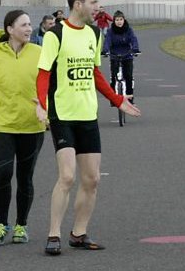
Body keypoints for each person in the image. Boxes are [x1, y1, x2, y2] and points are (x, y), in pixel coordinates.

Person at [36, 0, 141, 256]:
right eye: (93, 2)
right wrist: (41, 104)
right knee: (68, 176)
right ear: (78, 3)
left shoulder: (95, 33)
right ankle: (53, 234)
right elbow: (43, 74)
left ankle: (79, 234)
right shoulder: (55, 34)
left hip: (87, 115)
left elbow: (95, 73)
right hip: (62, 114)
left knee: (92, 180)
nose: (98, 7)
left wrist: (117, 100)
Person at [0, 10, 47, 246]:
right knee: (4, 174)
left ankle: (21, 225)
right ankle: (1, 223)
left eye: (30, 25)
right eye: (24, 25)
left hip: (31, 127)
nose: (29, 29)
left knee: (25, 178)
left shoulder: (39, 53)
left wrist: (47, 109)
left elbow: (51, 86)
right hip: (3, 126)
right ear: (9, 29)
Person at [102, 10, 140, 103]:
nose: (119, 22)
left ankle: (129, 97)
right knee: (113, 77)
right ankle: (113, 98)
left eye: (121, 19)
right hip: (114, 55)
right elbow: (107, 41)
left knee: (128, 76)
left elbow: (133, 39)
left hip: (127, 55)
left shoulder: (129, 30)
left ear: (124, 20)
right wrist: (105, 51)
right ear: (114, 21)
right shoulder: (111, 31)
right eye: (117, 20)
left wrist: (135, 49)